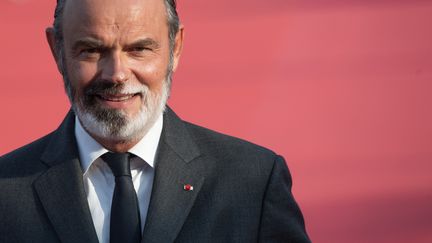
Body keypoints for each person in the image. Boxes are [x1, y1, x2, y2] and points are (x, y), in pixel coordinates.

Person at [0, 0, 311, 242]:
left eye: (139, 49)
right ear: (57, 50)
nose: (117, 74)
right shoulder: (6, 192)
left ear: (175, 48)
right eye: (92, 50)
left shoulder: (251, 183)